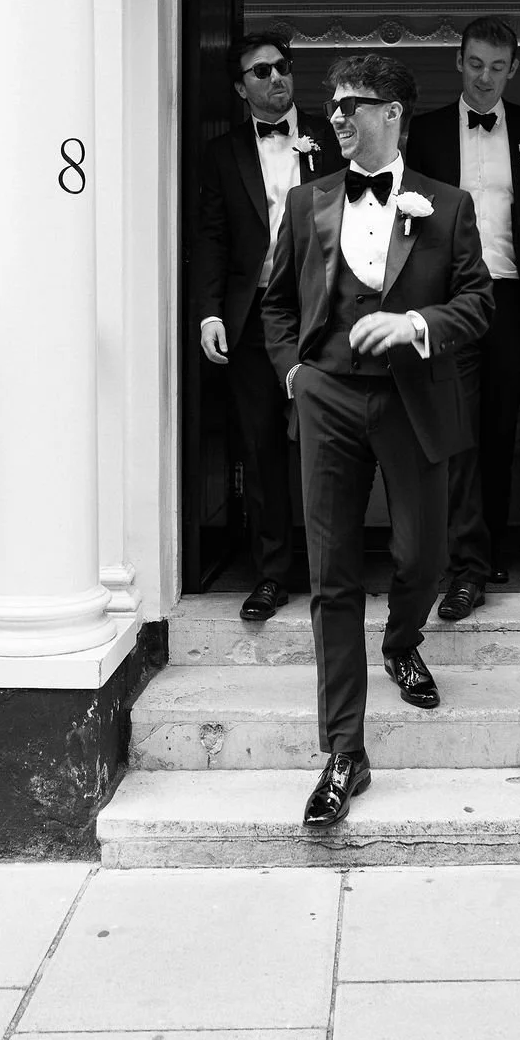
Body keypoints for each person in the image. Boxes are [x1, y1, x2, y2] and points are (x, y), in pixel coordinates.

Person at [262, 54, 494, 828]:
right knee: (331, 574)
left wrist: (416, 324)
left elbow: (478, 303)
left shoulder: (447, 204)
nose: (334, 117)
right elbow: (273, 303)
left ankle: (402, 638)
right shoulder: (306, 201)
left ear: (391, 112)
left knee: (423, 553)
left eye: (350, 105)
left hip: (413, 399)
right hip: (327, 395)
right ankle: (344, 752)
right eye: (331, 106)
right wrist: (295, 372)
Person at [406, 16, 520, 620]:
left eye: (497, 67)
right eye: (476, 64)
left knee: (498, 427)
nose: (485, 77)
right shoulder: (422, 134)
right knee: (456, 429)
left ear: (513, 70)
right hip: (447, 301)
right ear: (459, 62)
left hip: (508, 295)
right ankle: (464, 560)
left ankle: (484, 546)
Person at [198, 32, 341, 622]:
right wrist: (209, 311)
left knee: (328, 441)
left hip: (322, 316)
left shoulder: (331, 142)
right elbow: (211, 238)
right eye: (260, 72)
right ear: (241, 87)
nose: (275, 78)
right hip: (252, 317)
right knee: (259, 448)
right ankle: (272, 576)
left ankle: (336, 572)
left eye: (282, 67)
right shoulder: (221, 153)